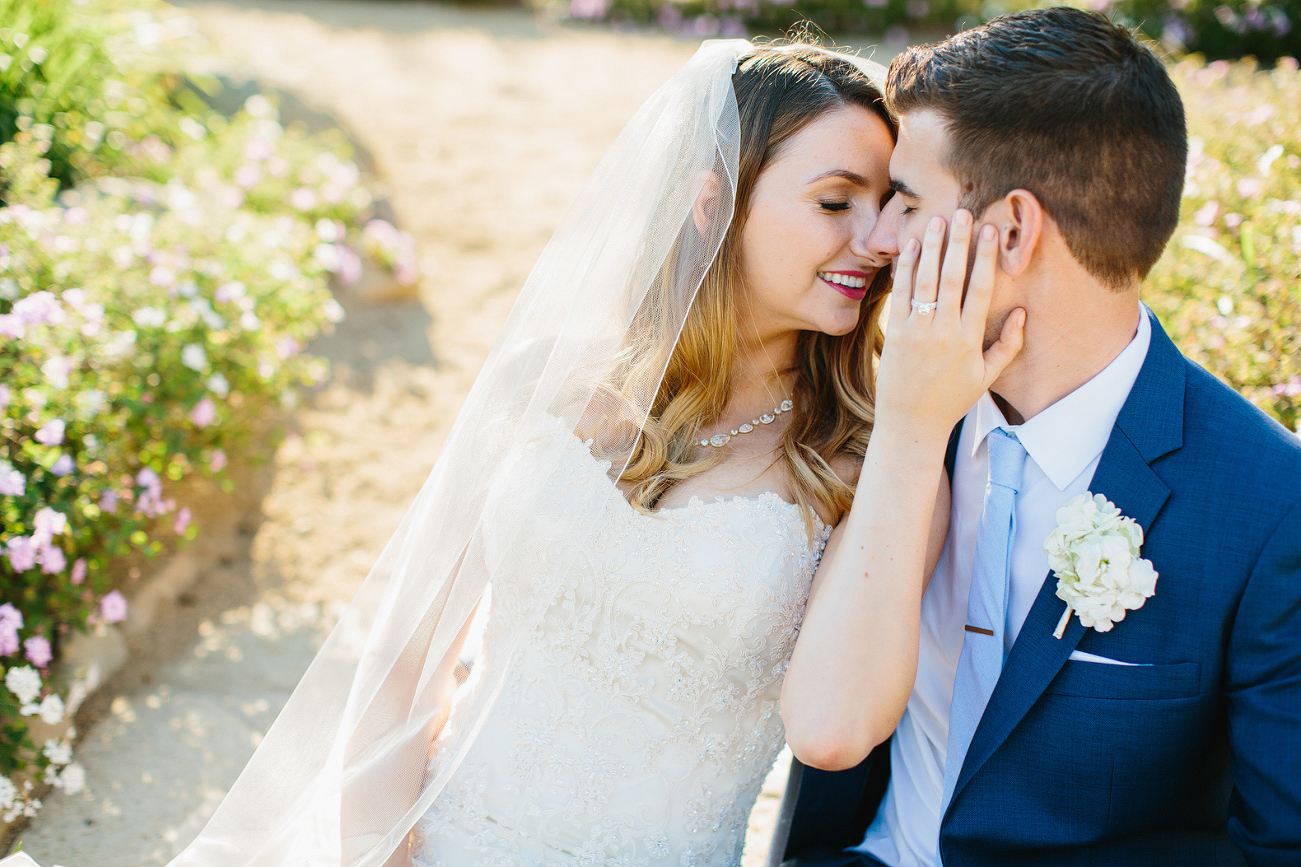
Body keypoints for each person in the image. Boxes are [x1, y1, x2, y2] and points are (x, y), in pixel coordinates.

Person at [0, 40, 1022, 867]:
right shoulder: (549, 386)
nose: (876, 240)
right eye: (832, 201)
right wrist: (377, 847)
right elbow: (403, 661)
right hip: (432, 843)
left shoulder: (865, 465)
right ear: (711, 199)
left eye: (886, 205)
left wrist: (913, 427)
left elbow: (834, 729)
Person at [778, 8, 1301, 867]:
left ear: (1011, 231)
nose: (874, 240)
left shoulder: (1269, 510)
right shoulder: (877, 410)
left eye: (905, 203)